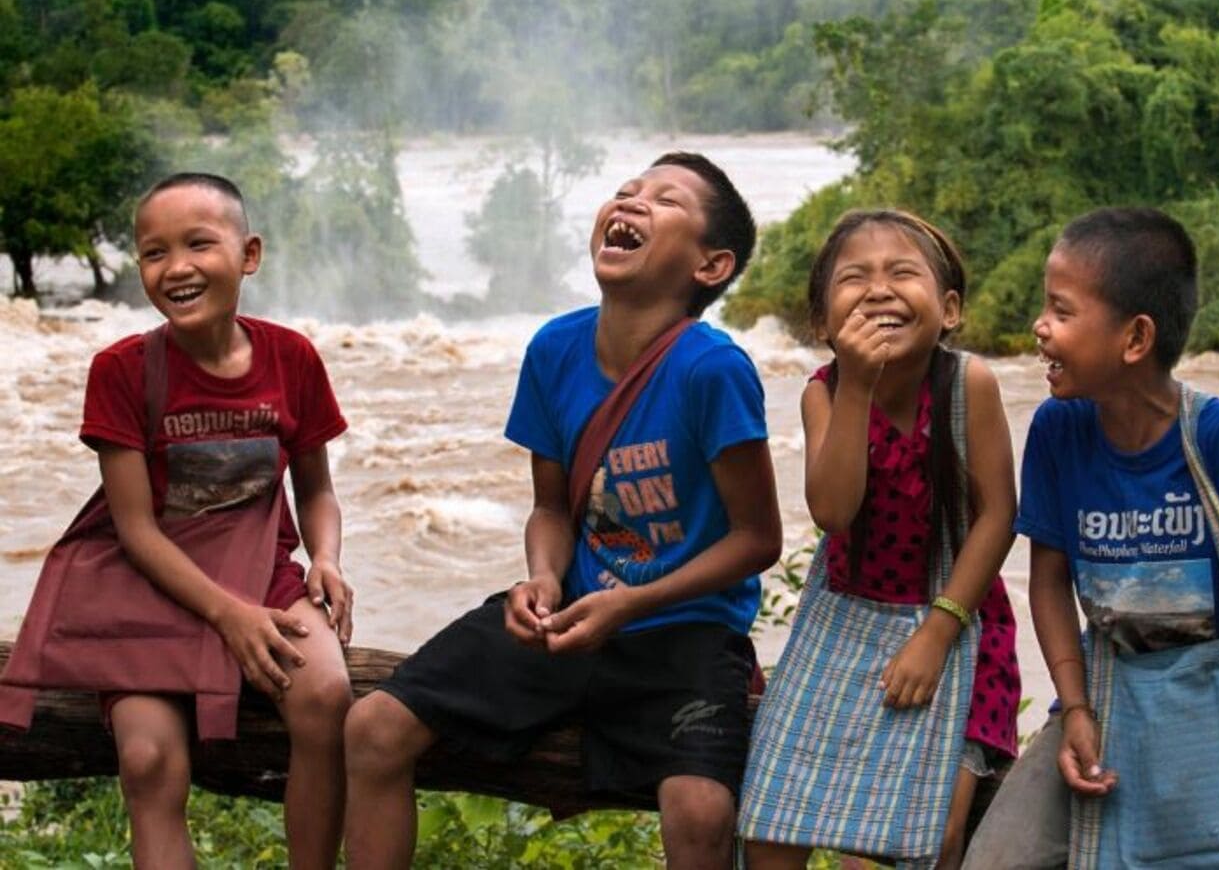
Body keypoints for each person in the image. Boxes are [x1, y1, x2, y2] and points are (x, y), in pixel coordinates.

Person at [343, 152, 784, 870]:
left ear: (711, 265)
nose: (633, 202)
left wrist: (632, 602)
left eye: (665, 200)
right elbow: (550, 507)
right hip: (570, 616)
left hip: (686, 634)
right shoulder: (555, 348)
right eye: (626, 191)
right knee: (373, 725)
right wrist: (543, 579)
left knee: (702, 809)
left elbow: (757, 538)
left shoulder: (713, 369)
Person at [963, 207, 1219, 869]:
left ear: (1135, 338)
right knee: (998, 858)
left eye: (1061, 312)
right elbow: (1049, 580)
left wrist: (1178, 735)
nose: (1039, 328)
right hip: (1103, 686)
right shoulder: (1057, 431)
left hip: (1210, 700)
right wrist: (1074, 710)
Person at [84, 173, 354, 868]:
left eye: (199, 244)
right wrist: (227, 615)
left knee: (326, 695)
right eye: (153, 252)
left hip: (266, 577)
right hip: (152, 587)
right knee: (146, 759)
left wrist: (325, 556)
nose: (176, 267)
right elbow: (135, 530)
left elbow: (316, 487)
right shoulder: (120, 370)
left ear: (249, 253)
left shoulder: (290, 356)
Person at [739, 209, 1020, 870]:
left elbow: (999, 514)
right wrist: (858, 386)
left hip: (955, 614)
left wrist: (938, 630)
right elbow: (833, 511)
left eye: (902, 273)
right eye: (854, 278)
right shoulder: (825, 394)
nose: (878, 290)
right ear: (822, 324)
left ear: (948, 308)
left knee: (928, 832)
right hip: (841, 620)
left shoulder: (968, 383)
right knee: (772, 824)